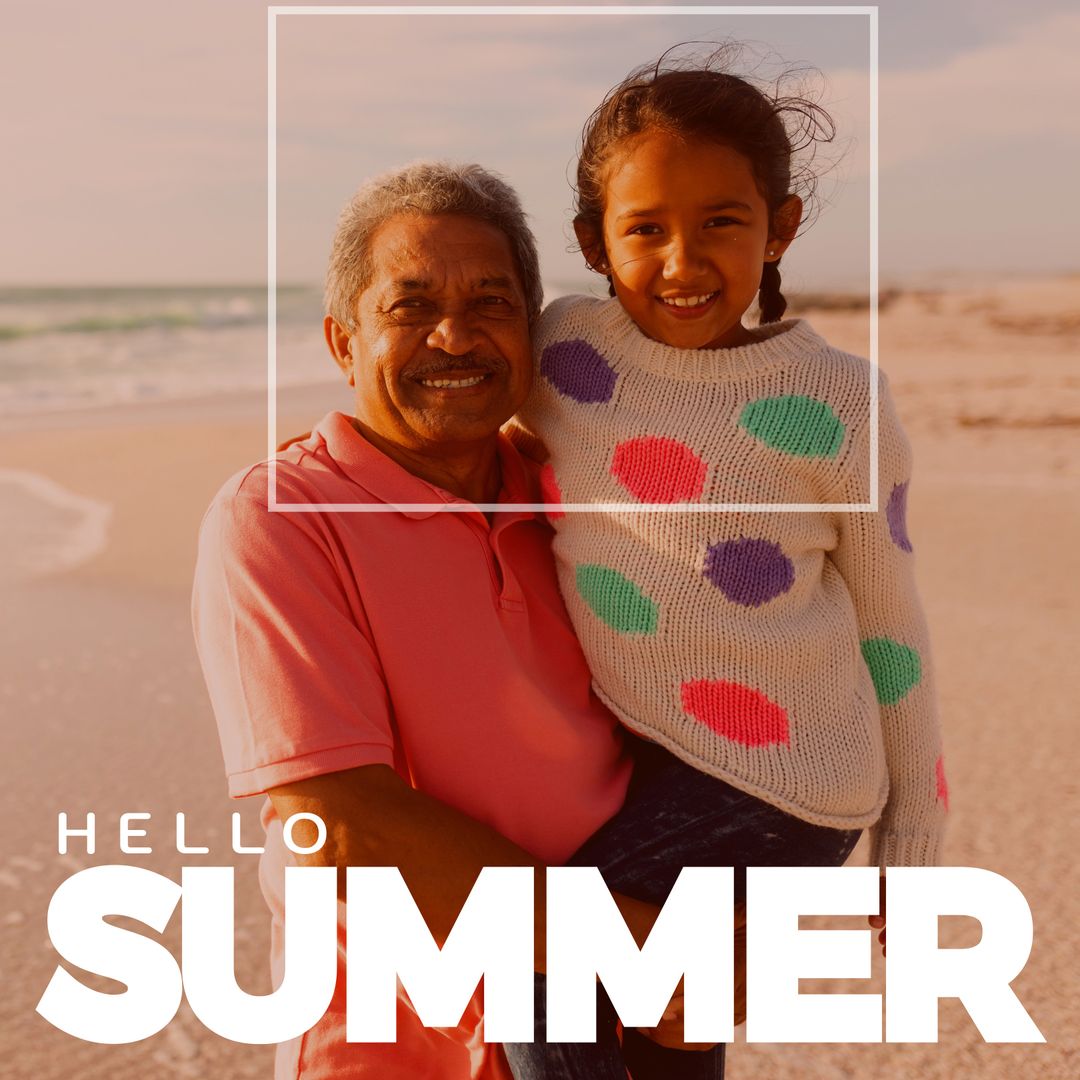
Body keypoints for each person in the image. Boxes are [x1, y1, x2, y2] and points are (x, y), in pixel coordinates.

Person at [503, 48, 947, 1080]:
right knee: (670, 1020)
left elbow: (892, 629)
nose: (681, 261)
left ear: (779, 227)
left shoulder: (840, 402)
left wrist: (914, 852)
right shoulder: (565, 355)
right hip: (649, 764)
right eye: (645, 228)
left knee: (538, 955)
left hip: (789, 785)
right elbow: (459, 399)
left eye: (721, 223)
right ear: (592, 242)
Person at [192, 162, 653, 1079]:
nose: (455, 335)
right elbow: (342, 818)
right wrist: (639, 946)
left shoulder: (579, 495)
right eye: (409, 308)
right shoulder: (283, 516)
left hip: (600, 1025)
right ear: (343, 341)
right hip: (392, 1042)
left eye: (492, 301)